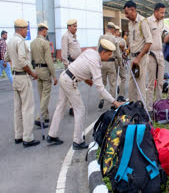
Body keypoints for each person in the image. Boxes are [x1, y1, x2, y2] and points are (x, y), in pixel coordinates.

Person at [47, 39, 123, 149]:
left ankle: (52, 135)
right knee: (80, 110)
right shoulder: (95, 62)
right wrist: (114, 102)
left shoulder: (90, 52)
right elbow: (100, 88)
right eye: (109, 54)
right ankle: (78, 141)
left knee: (60, 107)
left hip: (65, 76)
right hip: (70, 82)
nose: (110, 57)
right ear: (102, 53)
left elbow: (80, 64)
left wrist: (86, 78)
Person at [5, 19, 40, 147]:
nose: (27, 31)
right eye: (26, 29)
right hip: (23, 77)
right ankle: (28, 138)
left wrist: (14, 61)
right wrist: (32, 73)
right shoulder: (20, 41)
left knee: (18, 108)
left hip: (15, 77)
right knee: (28, 108)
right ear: (21, 29)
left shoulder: (10, 41)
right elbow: (22, 60)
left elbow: (6, 57)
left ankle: (18, 135)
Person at [123, 0, 152, 102]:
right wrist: (127, 51)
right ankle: (132, 106)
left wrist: (139, 58)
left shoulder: (142, 22)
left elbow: (149, 42)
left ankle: (141, 110)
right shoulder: (130, 23)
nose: (126, 15)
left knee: (140, 85)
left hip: (141, 59)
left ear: (133, 10)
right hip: (133, 58)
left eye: (127, 13)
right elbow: (131, 41)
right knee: (131, 84)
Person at [31, 23, 57, 128]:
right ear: (44, 31)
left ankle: (45, 116)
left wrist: (33, 71)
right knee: (46, 96)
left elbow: (31, 59)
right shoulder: (45, 43)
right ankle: (39, 118)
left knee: (42, 95)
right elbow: (49, 61)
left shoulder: (32, 43)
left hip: (37, 69)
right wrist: (54, 75)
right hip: (45, 70)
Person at [146, 3, 166, 113]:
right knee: (151, 83)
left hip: (160, 54)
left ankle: (158, 105)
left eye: (164, 12)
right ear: (156, 11)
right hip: (151, 54)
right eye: (161, 12)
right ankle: (149, 108)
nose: (163, 15)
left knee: (160, 82)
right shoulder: (148, 21)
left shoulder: (162, 22)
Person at [97, 22, 121, 109]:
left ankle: (101, 98)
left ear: (107, 28)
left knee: (102, 82)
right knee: (113, 83)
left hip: (102, 62)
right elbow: (118, 53)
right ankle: (112, 103)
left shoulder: (101, 37)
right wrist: (120, 62)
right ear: (113, 29)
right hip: (111, 63)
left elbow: (97, 50)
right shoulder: (114, 39)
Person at [61, 19, 82, 116]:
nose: (76, 28)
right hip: (70, 65)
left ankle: (72, 105)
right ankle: (72, 107)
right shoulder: (66, 36)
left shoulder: (74, 36)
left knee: (74, 85)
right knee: (71, 85)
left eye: (76, 26)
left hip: (76, 64)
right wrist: (67, 66)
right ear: (69, 27)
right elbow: (64, 54)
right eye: (74, 26)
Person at [115, 25, 127, 102]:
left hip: (112, 61)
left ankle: (113, 96)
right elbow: (125, 51)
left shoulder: (110, 40)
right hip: (120, 60)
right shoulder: (122, 40)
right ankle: (121, 95)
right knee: (123, 77)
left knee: (114, 78)